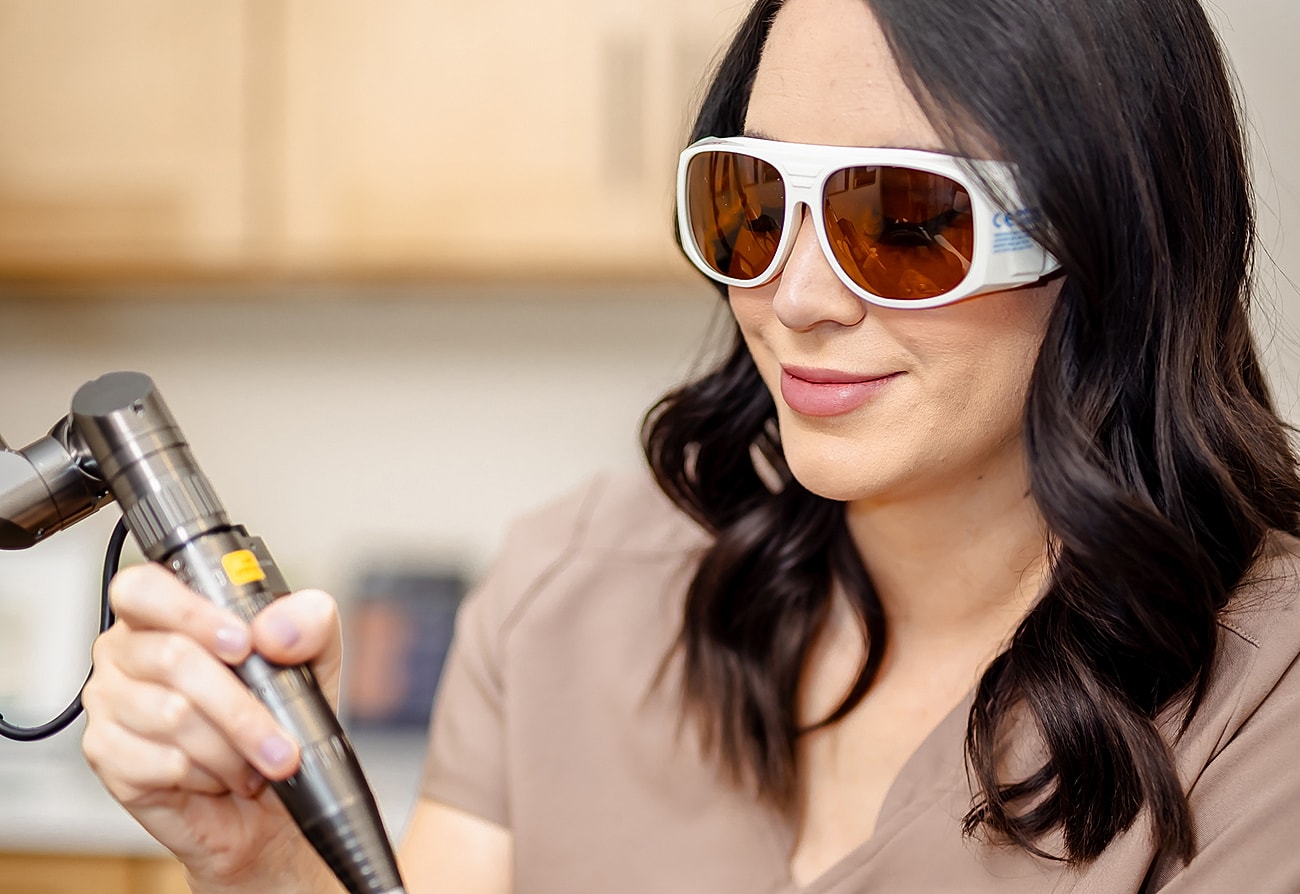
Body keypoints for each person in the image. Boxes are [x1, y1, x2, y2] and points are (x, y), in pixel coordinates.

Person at [80, 0, 1300, 890]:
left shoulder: (1264, 703)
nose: (798, 297)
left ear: (1113, 245)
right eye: (754, 202)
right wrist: (267, 867)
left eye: (905, 219)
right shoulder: (568, 597)